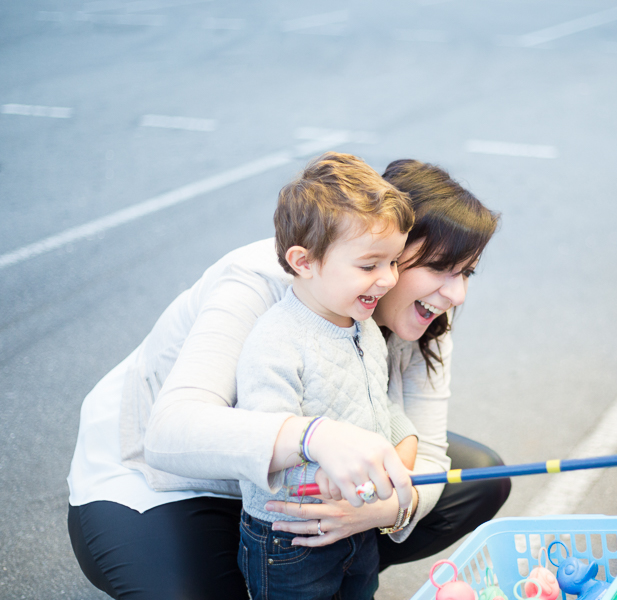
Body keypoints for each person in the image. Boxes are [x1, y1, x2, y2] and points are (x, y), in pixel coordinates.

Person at [66, 157, 508, 600]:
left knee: (480, 478)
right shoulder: (259, 286)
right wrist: (314, 436)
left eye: (465, 271)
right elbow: (167, 434)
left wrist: (384, 512)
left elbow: (429, 453)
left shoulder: (426, 315)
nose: (456, 294)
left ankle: (324, 551)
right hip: (163, 483)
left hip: (297, 485)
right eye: (438, 268)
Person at [235, 153, 418, 600]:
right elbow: (264, 439)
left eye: (393, 262)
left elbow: (376, 403)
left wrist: (402, 444)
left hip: (356, 521)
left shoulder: (363, 325)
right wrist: (321, 474)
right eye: (369, 265)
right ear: (304, 261)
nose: (388, 279)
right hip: (293, 537)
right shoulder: (276, 340)